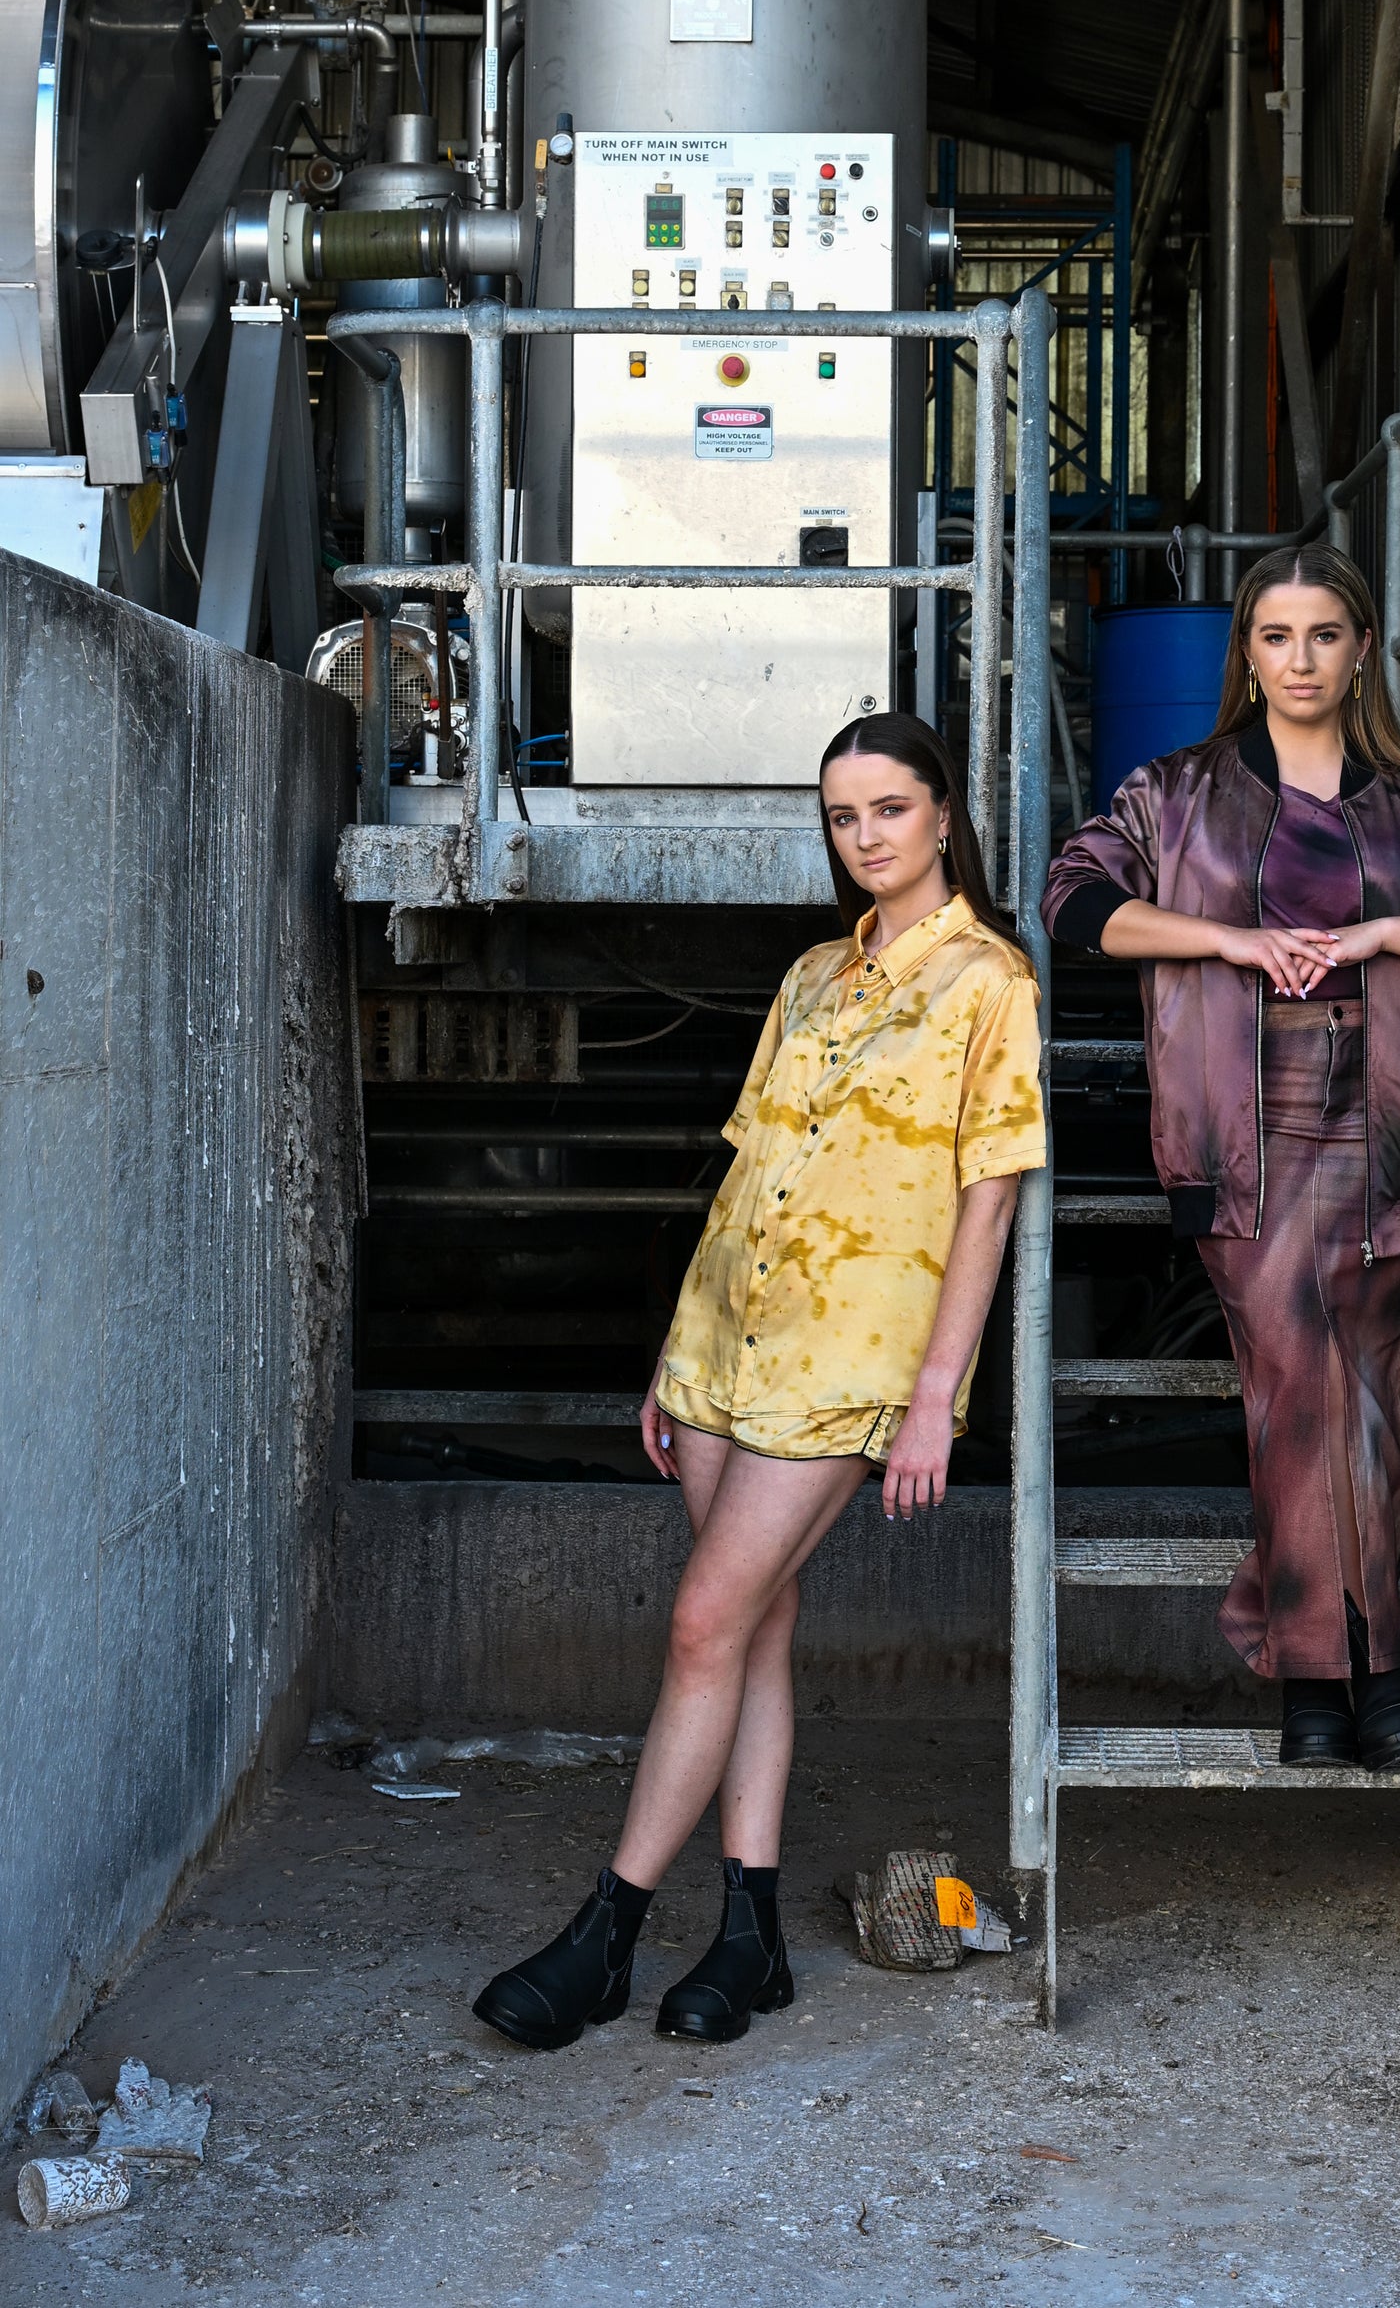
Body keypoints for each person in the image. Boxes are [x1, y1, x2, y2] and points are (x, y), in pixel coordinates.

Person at [473, 713, 1046, 2051]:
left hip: (853, 1358)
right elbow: (745, 1176)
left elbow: (988, 1202)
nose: (867, 838)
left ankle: (604, 1931)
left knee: (698, 1623)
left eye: (892, 809)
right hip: (731, 1336)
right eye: (845, 816)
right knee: (751, 1632)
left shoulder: (988, 981)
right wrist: (680, 1352)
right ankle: (751, 1936)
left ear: (945, 814)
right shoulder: (810, 977)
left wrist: (932, 1393)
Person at [1041, 546, 1400, 1769]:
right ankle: (1358, 1672)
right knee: (1300, 1388)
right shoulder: (1175, 791)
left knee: (1360, 1398)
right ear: (1247, 655)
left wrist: (1378, 930)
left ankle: (1322, 1678)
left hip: (1388, 1136)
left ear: (1362, 648)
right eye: (1276, 636)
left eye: (1324, 634)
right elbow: (1069, 900)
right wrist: (1227, 942)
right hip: (1238, 1136)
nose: (1301, 658)